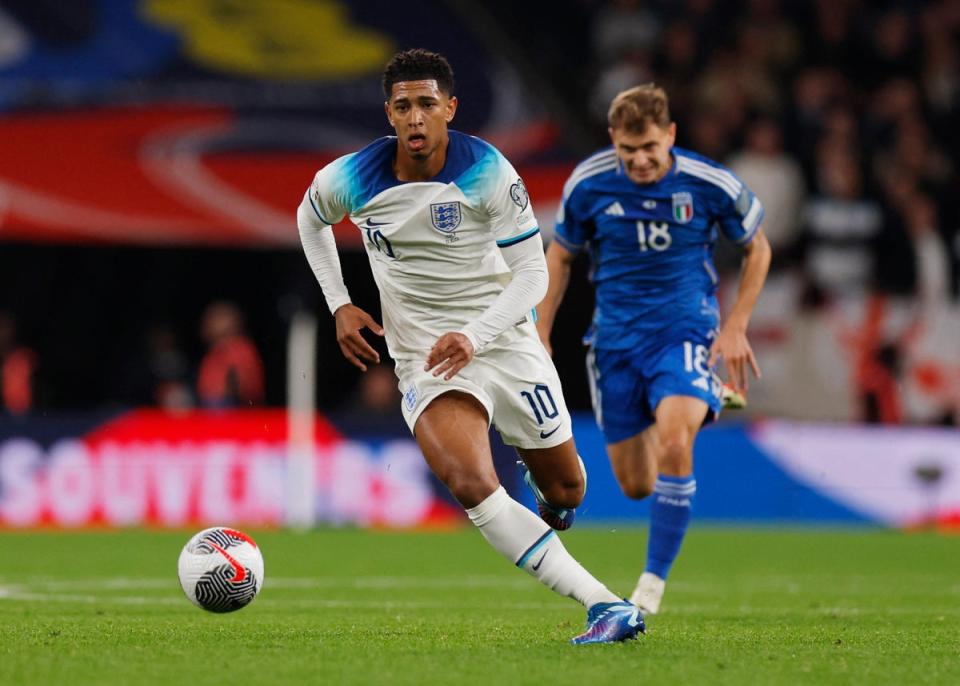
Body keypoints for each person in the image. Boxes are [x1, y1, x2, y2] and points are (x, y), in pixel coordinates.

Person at [296, 48, 643, 644]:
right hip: (425, 357)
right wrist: (339, 303)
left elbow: (533, 275)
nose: (415, 118)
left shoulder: (488, 171)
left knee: (567, 491)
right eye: (403, 106)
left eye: (427, 104)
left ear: (450, 109)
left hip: (502, 338)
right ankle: (605, 605)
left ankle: (549, 492)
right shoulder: (353, 176)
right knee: (471, 481)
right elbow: (310, 217)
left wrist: (475, 334)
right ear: (389, 114)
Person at [537, 84, 771, 615]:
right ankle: (688, 399)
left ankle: (652, 583)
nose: (640, 161)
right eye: (628, 150)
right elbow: (560, 257)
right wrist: (541, 329)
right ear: (613, 141)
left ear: (670, 135)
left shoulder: (710, 183)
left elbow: (757, 246)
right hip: (615, 344)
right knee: (637, 485)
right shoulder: (589, 184)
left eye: (650, 148)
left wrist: (736, 324)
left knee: (674, 443)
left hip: (684, 335)